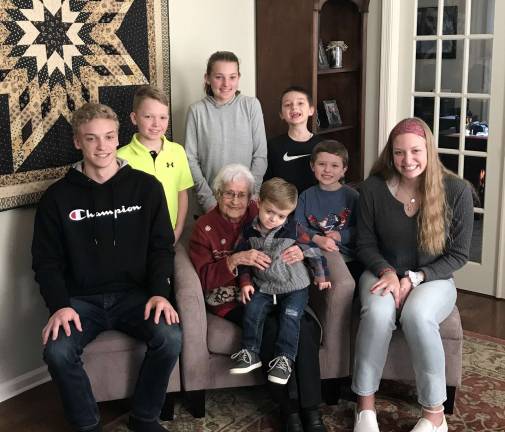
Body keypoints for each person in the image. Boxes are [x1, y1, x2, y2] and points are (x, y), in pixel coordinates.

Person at [31, 103, 181, 432]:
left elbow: (161, 248)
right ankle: (87, 425)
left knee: (170, 337)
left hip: (134, 296)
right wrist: (59, 306)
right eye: (92, 139)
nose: (102, 146)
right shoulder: (57, 198)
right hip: (81, 301)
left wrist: (160, 293)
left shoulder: (146, 188)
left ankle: (144, 417)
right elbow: (46, 262)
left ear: (118, 138)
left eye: (109, 137)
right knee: (57, 352)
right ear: (77, 143)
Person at [352, 118, 473, 432]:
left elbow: (458, 255)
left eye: (416, 151)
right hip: (381, 271)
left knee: (418, 315)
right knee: (378, 313)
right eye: (399, 152)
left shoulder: (457, 190)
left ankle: (434, 414)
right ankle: (365, 408)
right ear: (390, 154)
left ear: (429, 150)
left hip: (433, 279)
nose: (408, 160)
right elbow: (364, 243)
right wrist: (388, 272)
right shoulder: (373, 188)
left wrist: (415, 278)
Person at [189, 164, 327, 432]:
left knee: (305, 328)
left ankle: (312, 411)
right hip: (234, 299)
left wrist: (300, 250)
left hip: (276, 289)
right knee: (272, 328)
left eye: (242, 195)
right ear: (217, 194)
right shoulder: (204, 227)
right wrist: (235, 260)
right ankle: (289, 412)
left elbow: (294, 232)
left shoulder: (262, 213)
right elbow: (203, 279)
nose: (235, 200)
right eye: (229, 193)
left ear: (253, 197)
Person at [230, 178, 331, 385]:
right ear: (259, 203)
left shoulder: (294, 229)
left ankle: (284, 360)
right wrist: (245, 283)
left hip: (294, 286)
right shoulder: (249, 231)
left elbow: (313, 250)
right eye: (269, 212)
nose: (274, 219)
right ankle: (250, 352)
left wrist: (321, 276)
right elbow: (242, 259)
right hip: (265, 286)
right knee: (252, 310)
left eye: (281, 215)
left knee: (290, 316)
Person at [184, 51, 267, 213]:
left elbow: (260, 155)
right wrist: (208, 200)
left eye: (232, 77)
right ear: (207, 78)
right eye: (219, 77)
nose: (226, 84)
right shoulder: (196, 111)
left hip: (246, 200)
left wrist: (249, 194)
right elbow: (190, 159)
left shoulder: (251, 106)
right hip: (212, 203)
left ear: (238, 78)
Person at [118, 84, 194, 243]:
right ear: (134, 118)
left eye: (162, 117)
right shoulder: (120, 157)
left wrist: (178, 230)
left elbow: (182, 194)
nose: (156, 124)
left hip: (169, 235)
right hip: (134, 239)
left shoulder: (177, 151)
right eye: (148, 117)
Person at [294, 140, 362, 283]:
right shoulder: (306, 196)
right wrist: (317, 238)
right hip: (316, 251)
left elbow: (363, 228)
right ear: (312, 166)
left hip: (349, 255)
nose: (327, 170)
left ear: (344, 169)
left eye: (335, 165)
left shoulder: (353, 197)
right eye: (321, 164)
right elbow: (296, 227)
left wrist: (340, 235)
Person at [264, 86, 323, 194]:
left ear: (311, 110)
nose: (294, 108)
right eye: (287, 104)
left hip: (314, 207)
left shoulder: (322, 146)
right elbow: (268, 183)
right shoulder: (272, 146)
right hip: (284, 208)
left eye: (300, 103)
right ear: (281, 114)